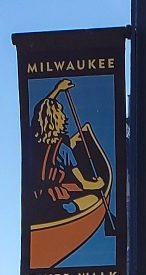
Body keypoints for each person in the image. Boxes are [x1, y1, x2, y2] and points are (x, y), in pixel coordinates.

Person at [30, 79, 104, 216]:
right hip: (55, 199)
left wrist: (57, 89)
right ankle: (67, 209)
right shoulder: (64, 151)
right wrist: (99, 184)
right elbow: (84, 184)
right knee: (93, 198)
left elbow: (41, 108)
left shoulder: (35, 140)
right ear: (60, 118)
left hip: (37, 196)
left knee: (72, 188)